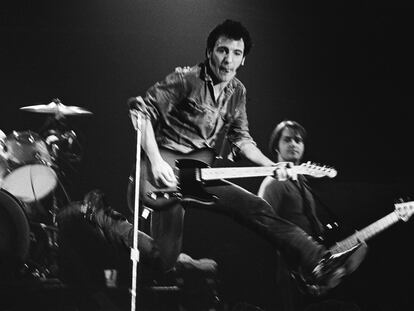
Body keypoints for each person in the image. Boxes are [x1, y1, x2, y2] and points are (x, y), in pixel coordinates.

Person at [123, 19, 362, 294]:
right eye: (223, 50)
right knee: (163, 260)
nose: (228, 59)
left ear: (244, 59)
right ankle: (108, 220)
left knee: (256, 208)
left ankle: (319, 260)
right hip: (161, 178)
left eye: (236, 53)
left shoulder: (237, 92)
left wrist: (272, 166)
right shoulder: (186, 79)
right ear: (210, 52)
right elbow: (141, 113)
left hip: (197, 176)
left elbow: (242, 139)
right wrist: (155, 160)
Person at [257, 120, 367, 310]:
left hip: (316, 267)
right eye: (287, 139)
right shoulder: (273, 182)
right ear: (276, 145)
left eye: (298, 140)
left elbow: (313, 226)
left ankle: (332, 278)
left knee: (361, 245)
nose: (293, 144)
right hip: (294, 271)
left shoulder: (304, 184)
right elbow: (261, 222)